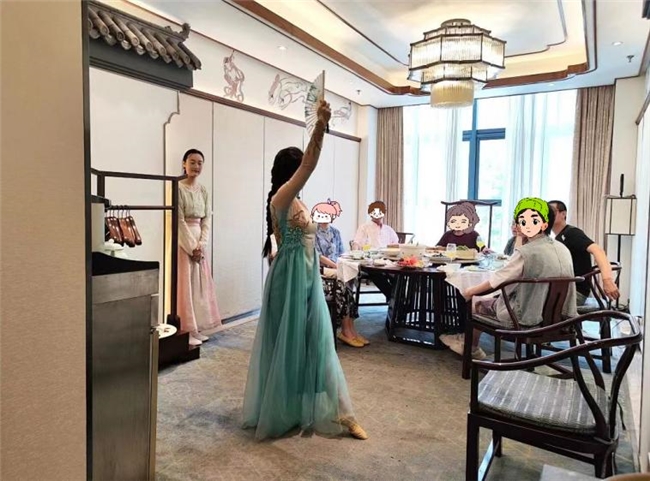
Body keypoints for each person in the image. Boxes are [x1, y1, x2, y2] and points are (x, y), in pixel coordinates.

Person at [242, 101, 367, 441]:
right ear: (292, 171)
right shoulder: (282, 198)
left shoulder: (296, 201)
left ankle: (342, 412)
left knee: (318, 340)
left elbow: (308, 243)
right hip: (289, 279)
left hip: (307, 277)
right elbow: (310, 163)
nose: (304, 174)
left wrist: (328, 266)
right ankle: (295, 410)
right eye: (299, 170)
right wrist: (321, 125)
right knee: (292, 344)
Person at [440, 198, 577, 359]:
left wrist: (469, 292)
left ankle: (471, 348)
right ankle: (467, 342)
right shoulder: (562, 248)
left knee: (477, 302)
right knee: (491, 298)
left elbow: (498, 280)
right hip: (562, 318)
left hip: (526, 318)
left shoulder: (527, 253)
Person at [177, 149, 222, 346]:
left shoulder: (203, 190)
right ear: (184, 164)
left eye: (200, 163)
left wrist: (201, 245)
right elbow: (179, 220)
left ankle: (197, 327)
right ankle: (186, 329)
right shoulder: (177, 188)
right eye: (192, 162)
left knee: (198, 285)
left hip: (199, 243)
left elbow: (207, 220)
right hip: (183, 242)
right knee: (185, 285)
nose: (196, 166)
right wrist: (191, 247)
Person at [312, 199, 369, 348]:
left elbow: (342, 252)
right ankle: (345, 330)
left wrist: (342, 265)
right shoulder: (312, 232)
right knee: (343, 285)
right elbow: (317, 256)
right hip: (320, 272)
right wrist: (336, 266)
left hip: (336, 269)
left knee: (349, 282)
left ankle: (351, 329)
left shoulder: (335, 232)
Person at [548, 200, 620, 305]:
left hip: (575, 292)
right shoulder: (558, 238)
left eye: (552, 211)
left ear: (563, 214)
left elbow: (598, 250)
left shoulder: (571, 233)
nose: (548, 215)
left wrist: (607, 280)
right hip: (566, 289)